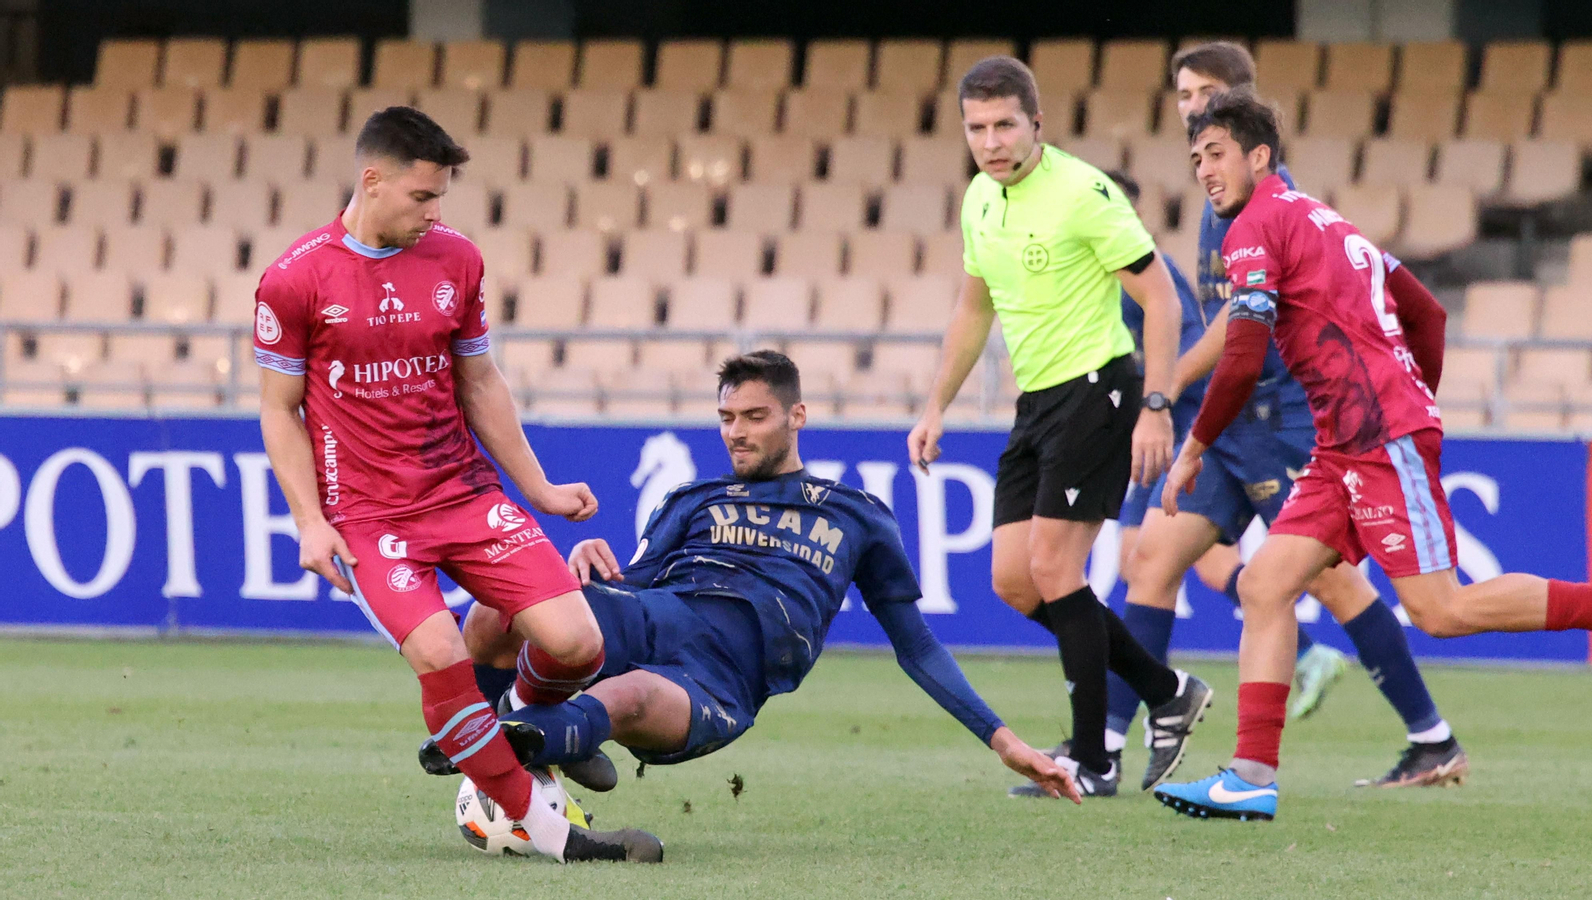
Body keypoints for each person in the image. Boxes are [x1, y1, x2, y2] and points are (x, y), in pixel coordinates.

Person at [1153, 89, 1592, 821]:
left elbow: (1242, 354)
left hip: (1377, 436)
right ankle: (1250, 776)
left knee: (1441, 610)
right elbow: (1425, 310)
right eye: (1196, 156)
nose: (1203, 169)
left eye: (1217, 152)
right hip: (1344, 440)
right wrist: (1409, 391)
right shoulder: (1326, 220)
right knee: (1264, 586)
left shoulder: (1253, 226)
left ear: (1260, 157)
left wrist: (1194, 445)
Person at [255, 106, 659, 862]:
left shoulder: (456, 261)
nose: (434, 213)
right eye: (422, 197)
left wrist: (536, 487)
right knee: (441, 655)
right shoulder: (294, 279)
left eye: (442, 197)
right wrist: (311, 521)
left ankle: (517, 725)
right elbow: (280, 412)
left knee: (578, 646)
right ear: (371, 181)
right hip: (372, 519)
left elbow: (480, 380)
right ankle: (554, 836)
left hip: (464, 495)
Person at [417, 351, 1081, 805]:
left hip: (716, 681)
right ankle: (523, 731)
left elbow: (918, 646)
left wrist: (1004, 739)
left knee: (632, 696)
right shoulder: (694, 500)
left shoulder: (857, 518)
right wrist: (591, 555)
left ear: (797, 417)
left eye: (754, 417)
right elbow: (637, 581)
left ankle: (519, 735)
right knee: (499, 607)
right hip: (649, 618)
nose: (736, 433)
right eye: (728, 418)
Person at [1119, 42, 1467, 790]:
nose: (1191, 105)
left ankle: (1430, 735)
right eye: (1182, 93)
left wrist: (1170, 383)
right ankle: (1101, 753)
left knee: (1342, 586)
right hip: (1237, 420)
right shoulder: (1223, 195)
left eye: (1206, 92)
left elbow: (1239, 335)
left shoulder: (1264, 203)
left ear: (1247, 113)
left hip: (1282, 416)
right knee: (1151, 560)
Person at [906, 55, 1210, 798]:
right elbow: (973, 310)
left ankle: (1093, 759)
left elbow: (1163, 300)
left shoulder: (1082, 192)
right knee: (1013, 580)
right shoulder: (979, 198)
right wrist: (936, 403)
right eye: (977, 128)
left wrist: (1158, 405)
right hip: (1036, 402)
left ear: (1036, 124)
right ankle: (1165, 690)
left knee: (1053, 570)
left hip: (1100, 390)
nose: (991, 140)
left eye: (1005, 124)